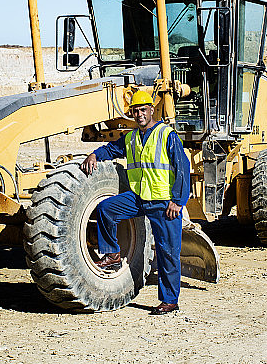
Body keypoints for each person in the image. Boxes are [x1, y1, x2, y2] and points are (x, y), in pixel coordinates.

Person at [80, 90, 190, 315]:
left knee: (167, 251)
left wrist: (177, 202)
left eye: (142, 110)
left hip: (163, 203)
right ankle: (112, 254)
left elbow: (183, 168)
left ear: (151, 110)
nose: (139, 114)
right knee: (106, 209)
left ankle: (170, 300)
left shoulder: (166, 135)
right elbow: (112, 148)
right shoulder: (131, 138)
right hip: (139, 198)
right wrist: (94, 155)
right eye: (135, 111)